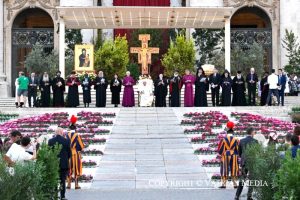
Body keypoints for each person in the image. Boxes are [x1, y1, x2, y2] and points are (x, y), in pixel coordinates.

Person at [235, 127, 258, 200]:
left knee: (242, 179)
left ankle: (237, 196)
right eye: (254, 132)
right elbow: (257, 152)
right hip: (252, 162)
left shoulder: (241, 141)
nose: (255, 133)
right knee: (252, 179)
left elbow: (239, 152)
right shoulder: (255, 141)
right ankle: (249, 196)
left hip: (244, 162)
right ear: (251, 132)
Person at [48, 127, 71, 200]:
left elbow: (49, 152)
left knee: (54, 180)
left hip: (54, 163)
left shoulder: (50, 141)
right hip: (63, 164)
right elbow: (69, 153)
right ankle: (62, 196)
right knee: (62, 180)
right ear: (62, 133)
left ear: (55, 133)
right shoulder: (66, 141)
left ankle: (54, 196)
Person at [218, 121, 239, 189]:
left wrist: (222, 154)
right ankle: (235, 183)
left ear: (227, 132)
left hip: (226, 155)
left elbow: (220, 150)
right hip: (234, 155)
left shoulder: (224, 139)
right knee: (234, 168)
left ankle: (224, 184)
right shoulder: (236, 139)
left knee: (225, 168)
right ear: (233, 132)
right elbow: (238, 149)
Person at [67, 115, 84, 190]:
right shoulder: (77, 135)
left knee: (69, 168)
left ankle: (69, 184)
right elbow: (81, 146)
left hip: (68, 154)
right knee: (76, 168)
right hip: (76, 154)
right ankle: (76, 184)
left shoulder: (66, 135)